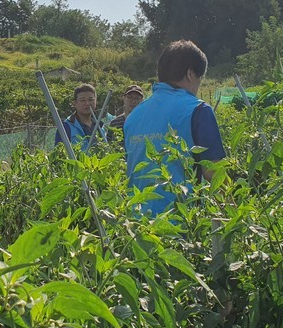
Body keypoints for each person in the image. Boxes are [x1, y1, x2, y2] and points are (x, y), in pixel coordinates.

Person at [123, 40, 226, 217]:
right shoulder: (198, 110)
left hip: (136, 226)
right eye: (200, 79)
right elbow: (214, 174)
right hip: (180, 227)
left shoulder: (133, 117)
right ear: (190, 74)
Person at [55, 83, 107, 150]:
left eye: (91, 100)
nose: (87, 103)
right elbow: (59, 155)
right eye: (82, 100)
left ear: (96, 102)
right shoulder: (65, 127)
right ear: (74, 103)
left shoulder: (100, 127)